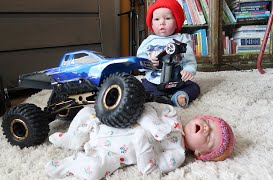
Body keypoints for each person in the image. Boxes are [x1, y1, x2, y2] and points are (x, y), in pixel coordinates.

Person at [45, 102, 235, 180]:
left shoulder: (177, 155)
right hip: (107, 125)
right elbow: (144, 107)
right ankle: (73, 137)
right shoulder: (170, 113)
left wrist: (143, 141)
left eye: (209, 137)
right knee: (88, 110)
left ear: (201, 154)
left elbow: (150, 170)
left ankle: (69, 164)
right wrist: (153, 126)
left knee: (94, 171)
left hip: (114, 154)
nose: (207, 128)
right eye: (209, 122)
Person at [137, 0, 200, 108]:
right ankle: (161, 100)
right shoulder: (148, 41)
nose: (162, 22)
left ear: (177, 22)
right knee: (143, 87)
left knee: (194, 87)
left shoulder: (182, 40)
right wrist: (148, 62)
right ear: (151, 23)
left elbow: (189, 61)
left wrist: (188, 71)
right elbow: (139, 63)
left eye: (167, 18)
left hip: (177, 81)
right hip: (154, 80)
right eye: (157, 19)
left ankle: (179, 96)